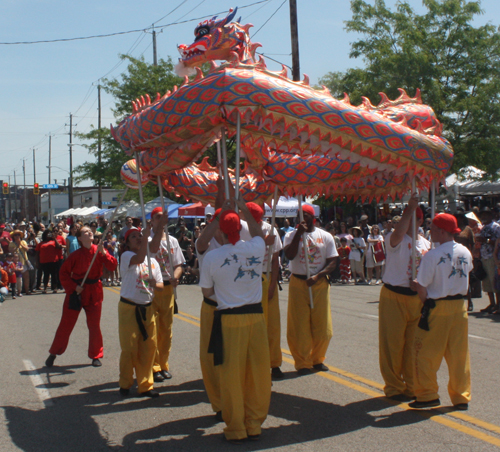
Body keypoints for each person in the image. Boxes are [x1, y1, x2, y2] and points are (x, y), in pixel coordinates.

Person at [200, 199, 270, 443]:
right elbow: (260, 233)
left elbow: (207, 293)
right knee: (258, 372)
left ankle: (236, 427)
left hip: (228, 319)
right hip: (256, 317)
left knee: (231, 376)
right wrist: (244, 210)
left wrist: (226, 292)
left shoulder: (212, 257)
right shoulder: (255, 248)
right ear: (240, 228)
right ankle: (254, 423)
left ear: (219, 228)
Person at [409, 213, 473, 410]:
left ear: (442, 231)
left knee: (425, 353)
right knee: (458, 355)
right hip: (459, 307)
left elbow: (422, 286)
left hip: (438, 307)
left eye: (434, 228)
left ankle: (427, 394)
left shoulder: (432, 255)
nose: (430, 231)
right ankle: (461, 396)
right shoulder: (465, 251)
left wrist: (424, 301)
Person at [378, 195, 430, 401]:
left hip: (416, 299)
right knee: (392, 345)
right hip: (394, 296)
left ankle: (411, 385)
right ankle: (393, 386)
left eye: (413, 219)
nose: (408, 224)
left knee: (412, 346)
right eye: (405, 220)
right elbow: (399, 232)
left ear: (420, 222)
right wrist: (409, 208)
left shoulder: (426, 243)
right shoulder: (395, 238)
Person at [45, 226, 118, 368]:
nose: (89, 232)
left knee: (94, 325)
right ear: (79, 238)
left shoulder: (99, 250)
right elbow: (63, 274)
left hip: (95, 291)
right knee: (66, 324)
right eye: (85, 232)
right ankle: (54, 352)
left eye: (90, 231)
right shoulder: (75, 255)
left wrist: (104, 254)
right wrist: (73, 287)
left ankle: (96, 355)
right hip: (77, 292)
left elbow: (112, 266)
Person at [283, 204, 338, 374]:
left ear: (312, 218)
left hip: (319, 283)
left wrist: (318, 276)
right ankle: (303, 362)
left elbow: (332, 261)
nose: (300, 218)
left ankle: (317, 359)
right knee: (299, 327)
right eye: (298, 215)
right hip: (298, 283)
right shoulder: (290, 235)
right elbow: (289, 255)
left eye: (304, 215)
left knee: (323, 327)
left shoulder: (325, 236)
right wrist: (298, 234)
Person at [119, 224, 164, 398]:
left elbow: (160, 285)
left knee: (149, 348)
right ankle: (125, 382)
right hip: (129, 308)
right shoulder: (127, 256)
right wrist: (146, 237)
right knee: (129, 348)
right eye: (134, 237)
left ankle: (146, 385)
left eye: (140, 235)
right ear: (127, 243)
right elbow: (138, 259)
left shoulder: (152, 262)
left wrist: (155, 284)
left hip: (148, 308)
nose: (138, 238)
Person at [246, 202, 284, 380]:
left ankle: (274, 363)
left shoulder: (271, 229)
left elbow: (275, 259)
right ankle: (253, 363)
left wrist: (271, 285)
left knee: (272, 324)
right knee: (252, 324)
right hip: (248, 278)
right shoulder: (242, 229)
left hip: (266, 276)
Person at [148, 207, 184, 383]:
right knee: (152, 329)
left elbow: (179, 264)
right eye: (157, 218)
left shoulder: (173, 241)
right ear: (152, 221)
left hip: (168, 289)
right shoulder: (146, 239)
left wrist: (176, 277)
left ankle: (163, 364)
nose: (161, 220)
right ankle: (153, 367)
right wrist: (159, 229)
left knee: (166, 330)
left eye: (163, 218)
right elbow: (153, 248)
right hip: (152, 289)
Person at [476, 207, 500, 313]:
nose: (484, 217)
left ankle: (498, 304)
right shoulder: (483, 227)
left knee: (494, 281)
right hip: (484, 256)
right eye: (482, 215)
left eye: (486, 214)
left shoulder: (496, 227)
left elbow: (497, 242)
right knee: (487, 283)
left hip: (492, 257)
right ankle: (492, 303)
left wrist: (486, 240)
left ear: (491, 215)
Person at [9, 229, 31, 294]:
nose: (17, 236)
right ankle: (16, 291)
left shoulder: (23, 242)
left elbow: (27, 249)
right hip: (15, 263)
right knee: (16, 278)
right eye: (16, 235)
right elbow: (10, 251)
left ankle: (27, 290)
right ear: (13, 236)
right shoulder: (11, 243)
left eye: (18, 235)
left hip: (23, 261)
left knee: (26, 277)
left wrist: (21, 244)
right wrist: (16, 246)